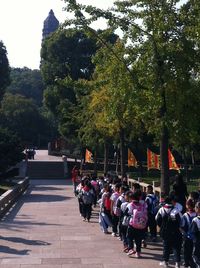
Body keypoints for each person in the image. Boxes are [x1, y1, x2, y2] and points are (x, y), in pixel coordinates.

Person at [156, 196, 182, 268]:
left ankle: (165, 262)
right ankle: (177, 263)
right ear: (171, 202)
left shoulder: (162, 209)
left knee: (166, 246)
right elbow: (181, 221)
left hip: (165, 231)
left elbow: (157, 219)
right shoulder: (176, 210)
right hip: (175, 231)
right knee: (176, 247)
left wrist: (161, 226)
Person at [181, 199, 197, 268]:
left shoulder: (185, 215)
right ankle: (193, 263)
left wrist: (183, 233)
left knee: (186, 250)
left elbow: (181, 226)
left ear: (187, 206)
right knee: (194, 250)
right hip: (196, 236)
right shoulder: (197, 215)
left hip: (187, 236)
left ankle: (186, 262)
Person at [190, 201, 200, 268]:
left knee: (195, 255)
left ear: (198, 208)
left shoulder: (196, 220)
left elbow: (192, 232)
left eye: (196, 207)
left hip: (198, 240)